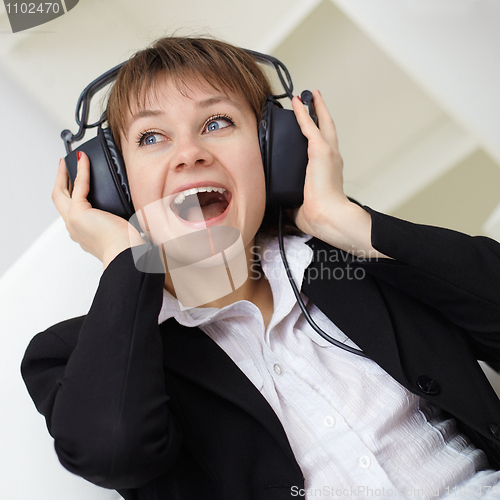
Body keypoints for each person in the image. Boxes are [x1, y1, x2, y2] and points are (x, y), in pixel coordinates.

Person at [21, 36, 500, 500]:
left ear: (273, 151)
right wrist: (128, 262)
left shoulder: (359, 265)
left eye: (217, 123)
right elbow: (111, 450)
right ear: (117, 187)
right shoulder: (64, 356)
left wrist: (348, 224)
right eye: (152, 137)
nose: (190, 153)